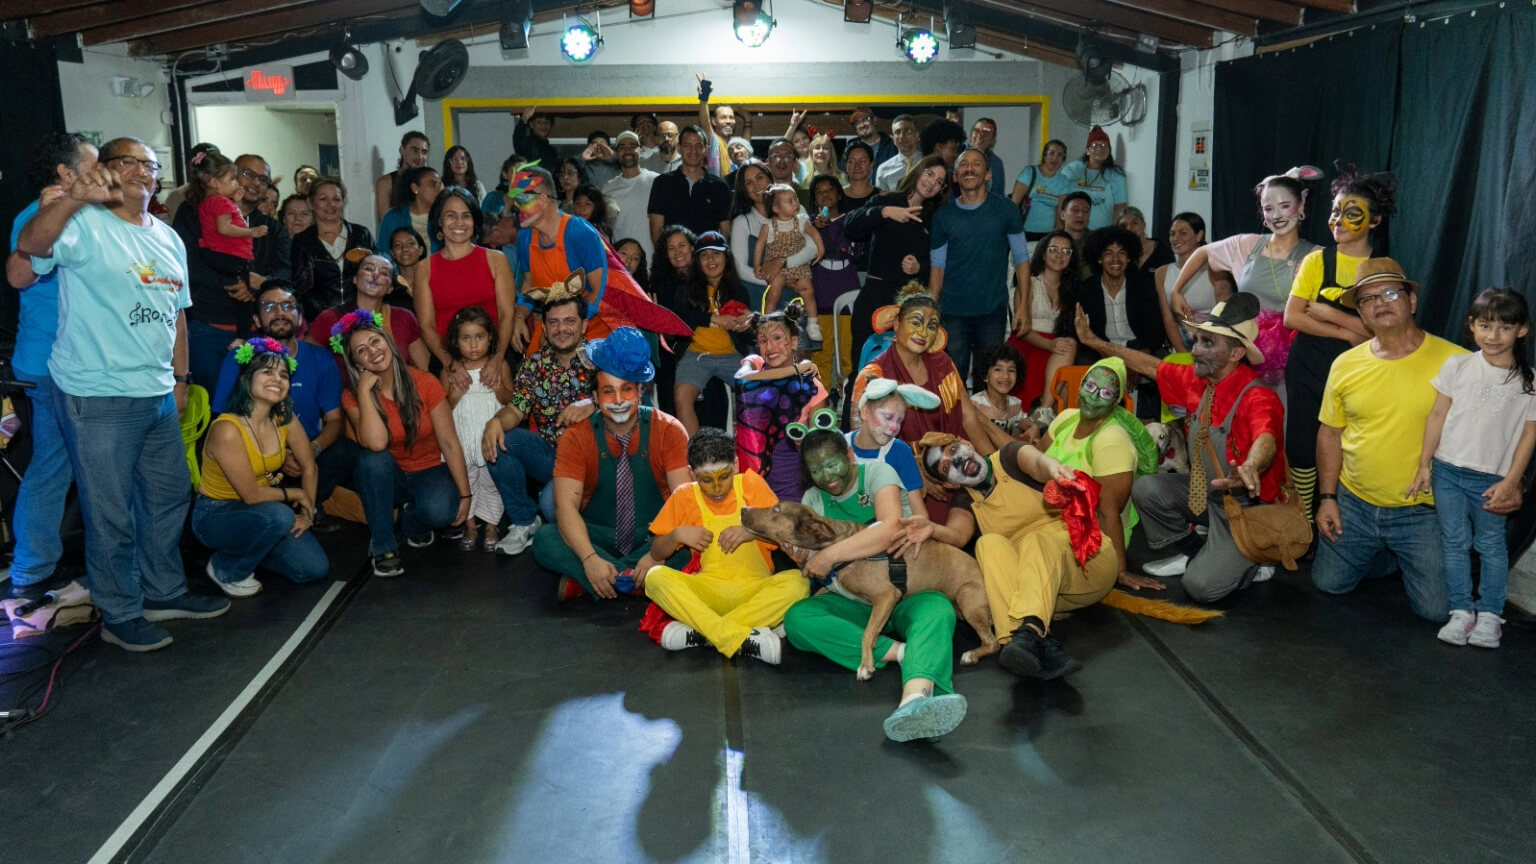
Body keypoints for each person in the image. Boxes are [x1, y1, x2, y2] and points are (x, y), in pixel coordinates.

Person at [16, 136, 231, 651]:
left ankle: (163, 592)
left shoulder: (167, 236)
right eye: (127, 162)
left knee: (167, 497)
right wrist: (72, 199)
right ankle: (119, 613)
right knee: (109, 512)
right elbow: (30, 249)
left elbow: (178, 314)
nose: (141, 171)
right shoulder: (84, 223)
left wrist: (180, 379)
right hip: (97, 394)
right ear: (106, 170)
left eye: (150, 165)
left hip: (156, 392)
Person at [1075, 293, 1287, 602]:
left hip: (1247, 510)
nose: (1195, 350)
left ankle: (1257, 557)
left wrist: (1252, 465)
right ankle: (1196, 552)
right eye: (1197, 340)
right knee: (1147, 488)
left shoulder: (1258, 396)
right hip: (1209, 494)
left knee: (1199, 587)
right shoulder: (1198, 380)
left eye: (1207, 343)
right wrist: (1095, 342)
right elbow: (1149, 365)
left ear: (1236, 353)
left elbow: (1265, 437)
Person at [783, 426, 969, 742]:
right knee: (798, 619)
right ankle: (903, 652)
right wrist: (801, 555)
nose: (827, 476)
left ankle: (915, 700)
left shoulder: (878, 473)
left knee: (938, 611)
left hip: (906, 590)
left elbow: (889, 529)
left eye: (832, 464)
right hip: (853, 598)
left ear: (849, 455)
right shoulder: (812, 499)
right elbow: (808, 556)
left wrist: (829, 555)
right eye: (816, 470)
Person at [1313, 259, 1470, 621]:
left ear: (1411, 301)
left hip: (1422, 512)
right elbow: (1330, 433)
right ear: (1361, 314)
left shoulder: (1458, 363)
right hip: (1355, 504)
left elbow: (1489, 432)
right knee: (1328, 583)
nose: (1380, 303)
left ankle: (1404, 553)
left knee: (1437, 611)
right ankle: (1387, 555)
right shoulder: (1345, 364)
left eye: (1389, 293)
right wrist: (1327, 498)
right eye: (1367, 299)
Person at [916, 433, 1114, 680]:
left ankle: (1031, 631)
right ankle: (1020, 640)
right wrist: (930, 528)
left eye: (954, 450)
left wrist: (1053, 468)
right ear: (950, 485)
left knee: (1035, 540)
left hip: (1087, 563)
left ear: (966, 443)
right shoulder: (965, 501)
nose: (956, 462)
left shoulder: (1009, 457)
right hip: (1046, 594)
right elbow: (957, 535)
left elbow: (1037, 463)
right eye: (946, 468)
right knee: (987, 544)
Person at [1414, 288, 1536, 649]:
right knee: (1454, 543)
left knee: (1491, 546)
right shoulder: (1458, 366)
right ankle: (1461, 611)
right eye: (1485, 325)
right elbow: (1437, 415)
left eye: (1504, 327)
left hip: (1491, 479)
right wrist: (1424, 464)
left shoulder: (1529, 381)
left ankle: (1490, 616)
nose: (1493, 335)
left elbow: (1529, 436)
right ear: (1471, 326)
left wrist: (1511, 481)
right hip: (1447, 471)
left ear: (1522, 330)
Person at [533, 327, 692, 600]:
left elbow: (684, 502)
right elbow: (565, 507)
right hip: (597, 535)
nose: (618, 401)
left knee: (691, 542)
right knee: (545, 539)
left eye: (626, 389)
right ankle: (637, 581)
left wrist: (657, 554)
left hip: (652, 536)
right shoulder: (576, 436)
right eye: (608, 391)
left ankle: (595, 582)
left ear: (640, 391)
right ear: (595, 397)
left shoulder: (669, 430)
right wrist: (589, 558)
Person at [4, 132, 96, 601]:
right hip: (49, 362)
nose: (101, 174)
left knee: (61, 464)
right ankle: (31, 567)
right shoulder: (38, 216)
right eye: (93, 166)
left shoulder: (82, 211)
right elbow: (19, 276)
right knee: (55, 465)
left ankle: (36, 564)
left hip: (71, 359)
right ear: (65, 172)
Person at [636, 428, 807, 662]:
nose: (717, 488)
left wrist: (750, 532)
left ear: (735, 465)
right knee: (655, 577)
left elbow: (786, 536)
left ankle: (705, 632)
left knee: (799, 582)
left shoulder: (751, 485)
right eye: (706, 480)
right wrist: (676, 535)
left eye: (723, 477)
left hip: (755, 591)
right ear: (691, 473)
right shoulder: (684, 496)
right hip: (708, 592)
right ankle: (741, 635)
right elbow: (657, 553)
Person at [1281, 170, 1393, 518]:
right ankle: (1304, 523)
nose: (1338, 220)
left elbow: (1381, 330)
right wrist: (1348, 332)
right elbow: (1292, 317)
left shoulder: (1381, 268)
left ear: (1374, 220)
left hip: (1358, 373)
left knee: (1346, 446)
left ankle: (1339, 518)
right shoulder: (1316, 260)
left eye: (1351, 212)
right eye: (1334, 211)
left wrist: (1329, 314)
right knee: (1302, 447)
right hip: (1308, 367)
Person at [851, 286, 1013, 521]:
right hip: (898, 477)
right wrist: (915, 474)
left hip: (958, 466)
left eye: (931, 326)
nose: (923, 332)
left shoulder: (943, 363)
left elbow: (968, 417)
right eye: (916, 322)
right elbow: (862, 443)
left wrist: (992, 466)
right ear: (896, 324)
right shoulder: (874, 373)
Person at [338, 311, 472, 578]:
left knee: (441, 513)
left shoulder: (425, 382)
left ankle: (413, 520)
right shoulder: (352, 396)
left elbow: (449, 442)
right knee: (371, 460)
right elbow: (376, 443)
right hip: (388, 477)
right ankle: (383, 548)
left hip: (429, 469)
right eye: (362, 351)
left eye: (375, 342)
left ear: (387, 340)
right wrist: (364, 391)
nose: (373, 352)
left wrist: (465, 495)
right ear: (356, 363)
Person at [194, 338, 328, 596]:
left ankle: (255, 547)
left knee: (313, 569)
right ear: (246, 379)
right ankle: (225, 568)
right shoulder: (227, 428)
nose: (277, 379)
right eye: (267, 372)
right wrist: (297, 494)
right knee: (280, 517)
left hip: (263, 512)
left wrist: (308, 514)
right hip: (216, 514)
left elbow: (309, 467)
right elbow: (251, 495)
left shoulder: (285, 419)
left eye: (284, 375)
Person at [215, 281, 353, 530]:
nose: (279, 312)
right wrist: (278, 455)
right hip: (257, 457)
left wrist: (311, 449)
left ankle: (305, 507)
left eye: (288, 306)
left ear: (300, 318)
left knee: (345, 452)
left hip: (308, 453)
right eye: (269, 307)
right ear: (256, 319)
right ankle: (286, 508)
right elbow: (224, 420)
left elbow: (335, 420)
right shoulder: (240, 358)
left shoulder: (321, 358)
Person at [1037, 356, 1161, 590]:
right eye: (1090, 386)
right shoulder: (1066, 418)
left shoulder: (1111, 441)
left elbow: (1107, 512)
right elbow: (1035, 460)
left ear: (1115, 403)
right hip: (1050, 517)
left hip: (1091, 536)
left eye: (1105, 393)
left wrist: (1119, 570)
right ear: (1081, 386)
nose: (1093, 397)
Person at [175, 152, 288, 388]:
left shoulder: (271, 228)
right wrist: (235, 284)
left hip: (256, 331)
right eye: (247, 174)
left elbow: (286, 273)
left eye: (263, 179)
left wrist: (261, 284)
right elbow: (186, 262)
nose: (255, 183)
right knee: (213, 400)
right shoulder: (195, 212)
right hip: (207, 327)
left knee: (255, 401)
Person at [930, 148, 1029, 391]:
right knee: (953, 381)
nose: (969, 169)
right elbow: (937, 268)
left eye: (976, 164)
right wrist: (930, 310)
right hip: (953, 311)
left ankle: (985, 418)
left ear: (988, 174)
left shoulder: (1007, 209)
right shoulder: (943, 216)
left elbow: (1021, 259)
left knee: (990, 380)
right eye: (963, 165)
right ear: (955, 176)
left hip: (992, 310)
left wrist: (1024, 305)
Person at [843, 155, 948, 367]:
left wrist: (919, 266)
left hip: (909, 302)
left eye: (939, 181)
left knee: (905, 369)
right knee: (864, 366)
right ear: (918, 172)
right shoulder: (888, 200)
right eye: (929, 174)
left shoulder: (934, 217)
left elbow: (937, 264)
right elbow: (851, 226)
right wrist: (885, 212)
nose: (931, 183)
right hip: (875, 295)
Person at [415, 187, 517, 372]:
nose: (459, 222)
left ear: (474, 221)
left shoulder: (496, 259)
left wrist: (496, 360)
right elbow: (426, 326)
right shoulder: (424, 269)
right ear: (439, 220)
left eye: (466, 216)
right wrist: (450, 364)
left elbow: (507, 315)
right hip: (447, 361)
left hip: (494, 357)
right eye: (451, 215)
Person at [734, 306, 828, 501]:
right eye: (763, 341)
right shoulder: (755, 365)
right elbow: (742, 378)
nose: (769, 347)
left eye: (777, 338)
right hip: (753, 477)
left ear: (793, 342)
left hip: (792, 479)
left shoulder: (811, 387)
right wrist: (795, 369)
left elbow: (818, 445)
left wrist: (804, 443)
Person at [443, 306, 513, 552]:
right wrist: (455, 394)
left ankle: (492, 525)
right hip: (462, 438)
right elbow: (442, 410)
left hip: (489, 438)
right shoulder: (450, 371)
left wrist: (497, 387)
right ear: (456, 341)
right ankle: (471, 525)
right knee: (465, 481)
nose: (473, 345)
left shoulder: (499, 366)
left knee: (493, 480)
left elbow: (511, 401)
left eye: (479, 337)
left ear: (490, 337)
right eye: (466, 338)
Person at [1074, 226, 1174, 388]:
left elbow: (1156, 330)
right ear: (1099, 259)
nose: (1116, 259)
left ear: (1129, 258)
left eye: (1122, 253)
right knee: (1082, 363)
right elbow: (1086, 336)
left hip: (1139, 348)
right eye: (1108, 253)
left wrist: (1136, 361)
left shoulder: (1143, 286)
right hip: (1102, 350)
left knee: (1167, 366)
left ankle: (1152, 405)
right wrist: (1113, 360)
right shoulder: (1086, 290)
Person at [673, 231, 751, 435]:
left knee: (756, 393)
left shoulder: (738, 290)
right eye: (704, 255)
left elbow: (748, 338)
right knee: (681, 396)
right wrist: (712, 318)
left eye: (716, 254)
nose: (711, 260)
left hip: (732, 356)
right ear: (697, 261)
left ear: (726, 258)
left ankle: (752, 447)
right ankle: (694, 450)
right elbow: (679, 316)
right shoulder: (686, 289)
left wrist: (747, 324)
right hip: (697, 354)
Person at [308, 252, 430, 371]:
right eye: (368, 269)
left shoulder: (404, 317)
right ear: (355, 279)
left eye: (384, 273)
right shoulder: (330, 317)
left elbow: (424, 367)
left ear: (390, 288)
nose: (375, 275)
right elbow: (305, 359)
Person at [847, 378, 941, 518]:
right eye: (888, 417)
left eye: (899, 421)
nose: (894, 428)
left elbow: (918, 511)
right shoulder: (841, 445)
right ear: (865, 413)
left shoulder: (900, 452)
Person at [1007, 229, 1079, 409]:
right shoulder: (1028, 283)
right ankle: (1044, 410)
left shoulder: (1073, 289)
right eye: (1053, 249)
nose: (1059, 255)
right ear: (1043, 254)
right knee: (1065, 349)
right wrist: (1049, 345)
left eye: (1066, 251)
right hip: (1028, 343)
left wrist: (1054, 345)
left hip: (1057, 350)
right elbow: (1021, 329)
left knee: (1069, 349)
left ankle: (1045, 411)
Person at [290, 177, 373, 322]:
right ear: (310, 203)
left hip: (361, 317)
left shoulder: (361, 234)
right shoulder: (302, 241)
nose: (331, 204)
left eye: (336, 199)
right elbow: (301, 288)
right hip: (320, 320)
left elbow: (375, 271)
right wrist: (328, 316)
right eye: (323, 199)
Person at [807, 173, 863, 381]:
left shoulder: (852, 220)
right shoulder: (808, 224)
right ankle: (822, 396)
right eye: (819, 192)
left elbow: (857, 253)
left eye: (830, 190)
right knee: (821, 354)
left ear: (839, 194)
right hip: (820, 291)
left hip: (847, 287)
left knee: (848, 352)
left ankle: (847, 394)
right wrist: (813, 227)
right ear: (814, 199)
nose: (825, 195)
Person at [188, 152, 269, 295]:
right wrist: (252, 232)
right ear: (213, 182)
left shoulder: (206, 202)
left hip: (213, 253)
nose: (236, 184)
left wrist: (235, 202)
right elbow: (224, 228)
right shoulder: (221, 202)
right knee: (247, 276)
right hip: (230, 256)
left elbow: (226, 219)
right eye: (232, 179)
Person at [647, 125, 732, 247]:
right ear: (679, 148)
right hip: (674, 256)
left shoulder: (719, 186)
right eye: (687, 145)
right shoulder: (662, 183)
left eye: (699, 145)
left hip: (706, 255)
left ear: (706, 150)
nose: (693, 150)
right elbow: (656, 230)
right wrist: (669, 254)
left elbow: (726, 231)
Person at [755, 184, 825, 331]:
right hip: (776, 268)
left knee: (808, 290)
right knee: (775, 291)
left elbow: (814, 234)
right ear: (776, 208)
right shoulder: (769, 225)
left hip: (798, 265)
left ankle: (813, 324)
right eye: (790, 201)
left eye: (795, 199)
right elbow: (759, 245)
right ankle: (766, 320)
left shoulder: (801, 221)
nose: (795, 203)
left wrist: (821, 249)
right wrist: (757, 265)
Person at [1156, 213, 1215, 350]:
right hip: (1181, 342)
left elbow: (1224, 315)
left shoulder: (1214, 268)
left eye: (1183, 233)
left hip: (1213, 341)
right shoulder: (1162, 272)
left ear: (1199, 236)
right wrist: (1182, 353)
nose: (1176, 238)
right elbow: (1168, 319)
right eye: (1172, 234)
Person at [603, 131, 660, 262]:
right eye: (622, 147)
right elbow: (605, 230)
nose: (627, 150)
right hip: (622, 263)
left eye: (632, 146)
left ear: (641, 151)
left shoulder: (657, 181)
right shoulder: (608, 188)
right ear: (617, 154)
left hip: (654, 261)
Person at [1010, 139, 1074, 242]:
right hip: (1022, 232)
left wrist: (1057, 236)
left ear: (1063, 159)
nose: (1055, 158)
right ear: (1044, 155)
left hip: (1047, 235)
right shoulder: (1029, 173)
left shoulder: (1063, 181)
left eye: (1059, 155)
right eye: (1051, 153)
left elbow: (1060, 214)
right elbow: (1013, 204)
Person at [1063, 126, 1126, 230]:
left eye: (1103, 145)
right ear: (1087, 150)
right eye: (1094, 145)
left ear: (1109, 151)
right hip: (1072, 231)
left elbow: (1120, 207)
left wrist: (1113, 232)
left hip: (1101, 233)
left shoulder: (1116, 175)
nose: (1099, 148)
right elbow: (1060, 196)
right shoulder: (1073, 169)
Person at [376, 165, 444, 256]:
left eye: (440, 184)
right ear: (415, 188)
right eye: (433, 184)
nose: (439, 189)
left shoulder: (444, 216)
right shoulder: (393, 217)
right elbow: (383, 254)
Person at [374, 131, 431, 226]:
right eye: (415, 150)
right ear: (402, 150)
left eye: (424, 152)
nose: (420, 157)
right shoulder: (386, 182)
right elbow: (385, 223)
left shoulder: (431, 182)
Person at [970, 344, 1027, 436]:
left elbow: (1022, 423)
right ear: (985, 376)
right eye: (998, 369)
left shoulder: (1015, 404)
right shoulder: (975, 404)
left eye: (1011, 370)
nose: (1006, 376)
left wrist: (1032, 426)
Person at [1117, 207, 1174, 273]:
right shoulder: (1117, 254)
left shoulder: (1163, 251)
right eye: (1123, 225)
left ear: (1144, 224)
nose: (1129, 228)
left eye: (1134, 223)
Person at [874, 114, 920, 192]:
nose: (902, 136)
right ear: (893, 139)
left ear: (917, 135)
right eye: (897, 132)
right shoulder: (883, 169)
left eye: (908, 131)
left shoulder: (930, 162)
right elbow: (881, 199)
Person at [386, 226, 427, 309]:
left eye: (410, 244)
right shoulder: (388, 287)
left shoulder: (435, 281)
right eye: (398, 245)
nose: (404, 249)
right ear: (392, 253)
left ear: (421, 250)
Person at [846, 106, 897, 172]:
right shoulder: (850, 147)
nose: (862, 125)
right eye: (857, 122)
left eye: (865, 119)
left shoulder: (891, 146)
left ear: (875, 120)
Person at [964, 117, 1006, 196]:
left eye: (986, 132)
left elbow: (998, 195)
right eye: (976, 131)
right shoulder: (957, 154)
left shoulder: (996, 163)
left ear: (992, 140)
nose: (980, 135)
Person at [513, 108, 560, 173]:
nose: (543, 125)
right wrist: (524, 120)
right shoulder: (528, 143)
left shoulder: (551, 150)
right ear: (531, 125)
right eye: (539, 122)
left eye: (547, 122)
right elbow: (518, 138)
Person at [838, 141, 878, 214]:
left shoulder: (881, 196)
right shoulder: (837, 197)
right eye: (851, 162)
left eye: (862, 161)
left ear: (871, 165)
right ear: (846, 165)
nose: (857, 166)